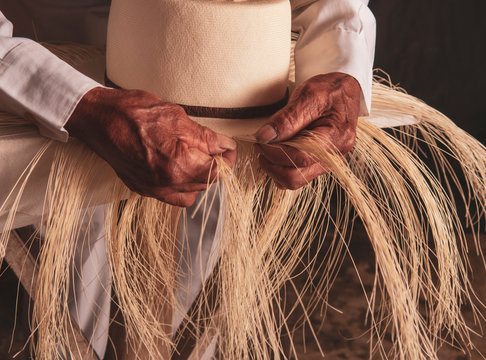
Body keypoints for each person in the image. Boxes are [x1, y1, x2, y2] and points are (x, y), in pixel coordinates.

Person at [0, 0, 376, 358]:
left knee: (198, 245)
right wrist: (73, 102)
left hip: (232, 75)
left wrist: (338, 57)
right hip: (51, 54)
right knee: (76, 259)